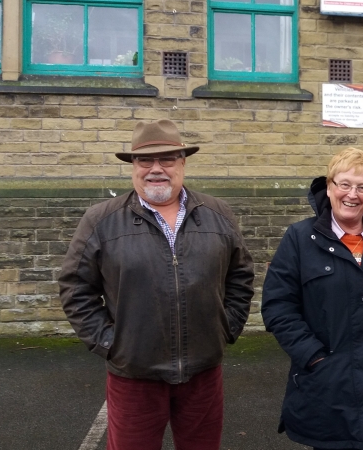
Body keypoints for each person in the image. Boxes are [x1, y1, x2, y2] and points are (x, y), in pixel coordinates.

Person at [59, 119, 255, 450]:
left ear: (182, 163)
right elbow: (75, 289)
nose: (156, 169)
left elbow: (240, 276)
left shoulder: (218, 214)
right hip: (134, 376)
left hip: (203, 373)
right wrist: (112, 343)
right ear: (133, 166)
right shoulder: (101, 220)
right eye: (145, 160)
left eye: (167, 159)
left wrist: (225, 328)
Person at [261, 147, 363, 450]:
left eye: (362, 187)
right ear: (329, 187)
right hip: (326, 385)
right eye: (344, 184)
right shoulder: (300, 239)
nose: (352, 194)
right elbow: (278, 306)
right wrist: (314, 357)